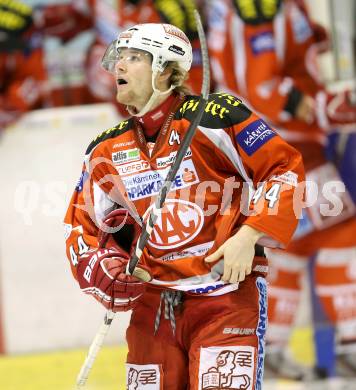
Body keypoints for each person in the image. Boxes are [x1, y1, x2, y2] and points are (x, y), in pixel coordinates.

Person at [63, 22, 304, 388]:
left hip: (224, 298)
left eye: (134, 58)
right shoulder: (104, 149)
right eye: (119, 58)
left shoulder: (216, 115)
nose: (119, 67)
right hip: (152, 308)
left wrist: (249, 236)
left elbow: (284, 169)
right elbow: (83, 227)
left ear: (167, 70)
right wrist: (103, 269)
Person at [207, 0, 356, 379]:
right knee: (341, 232)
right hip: (285, 147)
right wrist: (322, 108)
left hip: (274, 150)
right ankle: (351, 345)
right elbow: (261, 86)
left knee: (291, 246)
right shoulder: (259, 6)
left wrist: (313, 42)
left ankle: (270, 347)